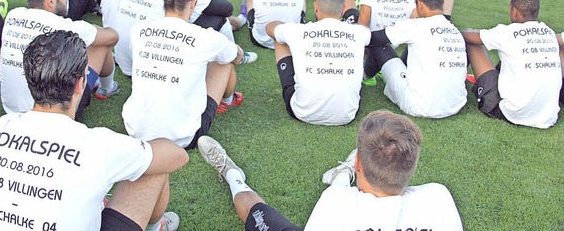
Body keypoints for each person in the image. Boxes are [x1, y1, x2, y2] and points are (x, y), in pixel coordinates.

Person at [0, 30, 187, 231]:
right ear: (80, 84)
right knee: (154, 166)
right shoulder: (96, 144)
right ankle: (155, 227)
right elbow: (178, 157)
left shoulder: (1, 127)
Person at [197, 110, 463, 230]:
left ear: (361, 163)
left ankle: (234, 176)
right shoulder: (438, 196)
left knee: (257, 212)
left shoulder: (337, 201)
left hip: (346, 198)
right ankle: (231, 172)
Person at [123, 0, 246, 150]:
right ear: (193, 3)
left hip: (136, 131)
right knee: (224, 62)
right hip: (182, 138)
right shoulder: (206, 37)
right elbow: (234, 56)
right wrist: (239, 53)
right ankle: (227, 101)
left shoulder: (138, 30)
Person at [0, 0, 120, 118]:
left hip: (11, 109)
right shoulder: (66, 26)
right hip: (53, 113)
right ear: (51, 0)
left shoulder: (13, 15)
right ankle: (107, 88)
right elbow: (112, 37)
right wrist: (93, 30)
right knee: (101, 43)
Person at [266, 0, 370, 125]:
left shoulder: (297, 31)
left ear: (315, 7)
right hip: (347, 115)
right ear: (343, 9)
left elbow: (270, 27)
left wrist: (285, 27)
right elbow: (361, 27)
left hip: (303, 112)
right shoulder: (360, 32)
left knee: (279, 39)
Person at [366, 0, 467, 118]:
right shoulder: (454, 30)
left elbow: (374, 39)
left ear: (419, 4)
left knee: (380, 46)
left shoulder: (415, 26)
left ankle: (365, 76)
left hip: (419, 106)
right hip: (455, 105)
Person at [462, 0, 562, 128]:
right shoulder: (549, 33)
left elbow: (468, 35)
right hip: (548, 117)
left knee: (473, 43)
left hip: (513, 113)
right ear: (537, 12)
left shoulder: (507, 32)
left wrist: (456, 32)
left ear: (514, 11)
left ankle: (456, 81)